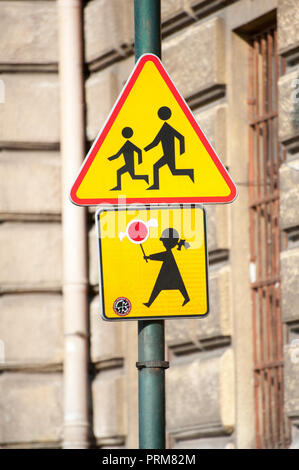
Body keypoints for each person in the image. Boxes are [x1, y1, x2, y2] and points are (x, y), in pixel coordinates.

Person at [144, 106, 194, 190]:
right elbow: (156, 142)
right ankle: (189, 172)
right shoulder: (164, 128)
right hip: (167, 154)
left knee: (158, 167)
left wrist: (182, 151)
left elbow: (181, 137)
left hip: (169, 154)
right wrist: (146, 149)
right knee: (171, 170)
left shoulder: (166, 128)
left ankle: (190, 172)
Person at [143, 228, 190, 307]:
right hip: (170, 270)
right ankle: (149, 303)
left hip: (169, 271)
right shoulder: (170, 252)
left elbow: (161, 256)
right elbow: (162, 255)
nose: (163, 243)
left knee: (159, 286)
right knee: (179, 285)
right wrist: (149, 257)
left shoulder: (169, 253)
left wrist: (149, 257)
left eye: (163, 241)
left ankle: (149, 303)